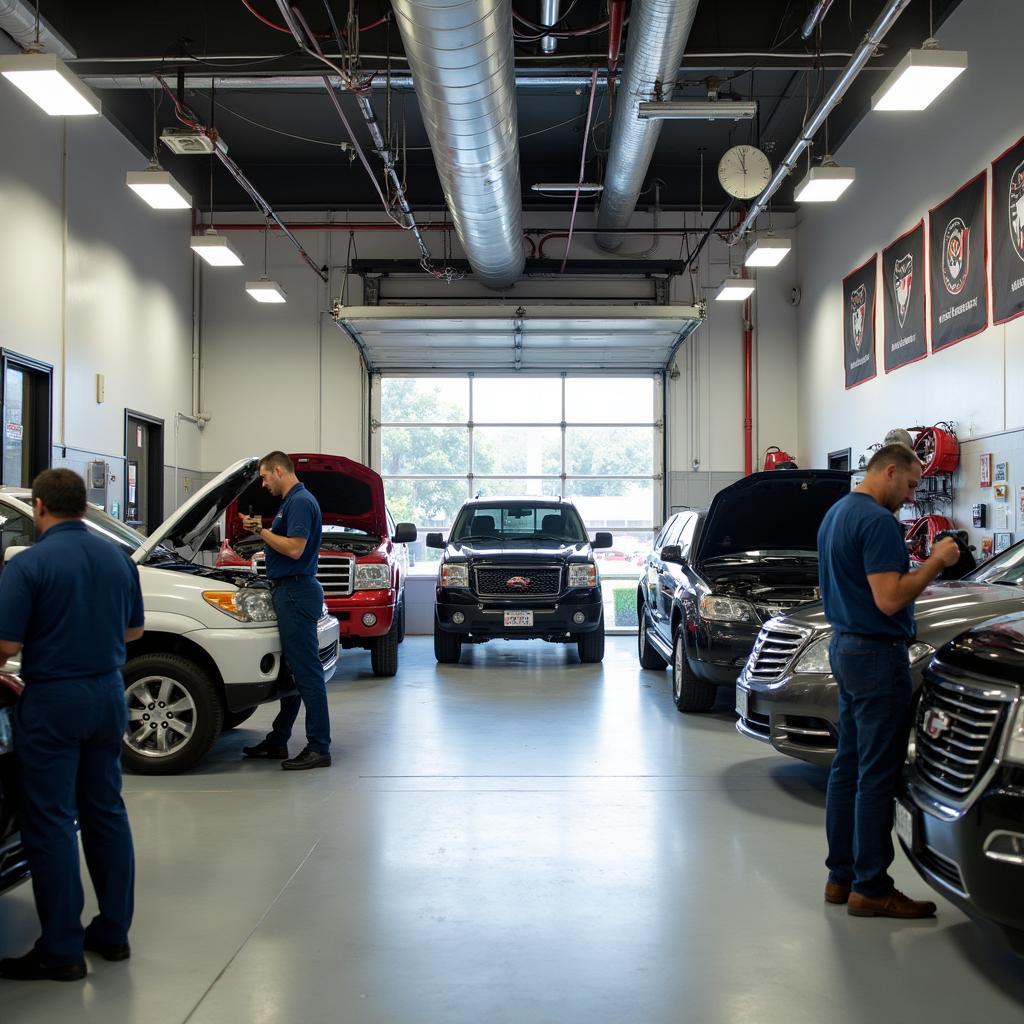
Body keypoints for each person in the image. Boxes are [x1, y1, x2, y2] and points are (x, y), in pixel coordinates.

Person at [0, 469, 144, 982]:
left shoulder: (29, 564)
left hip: (54, 700)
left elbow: (6, 648)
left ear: (39, 506)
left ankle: (60, 950)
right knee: (106, 811)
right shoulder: (118, 559)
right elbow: (135, 630)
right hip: (108, 694)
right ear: (84, 505)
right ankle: (113, 932)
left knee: (53, 821)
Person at [817, 443, 960, 918]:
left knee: (849, 766)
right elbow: (889, 598)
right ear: (891, 471)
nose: (912, 496)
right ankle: (872, 887)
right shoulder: (877, 522)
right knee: (877, 773)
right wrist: (936, 561)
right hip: (877, 654)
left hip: (845, 648)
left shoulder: (836, 514)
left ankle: (841, 878)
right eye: (913, 485)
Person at [241, 451, 331, 770]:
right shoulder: (291, 501)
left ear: (279, 471)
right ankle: (279, 739)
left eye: (265, 477)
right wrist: (262, 530)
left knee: (307, 673)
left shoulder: (301, 502)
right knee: (294, 672)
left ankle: (319, 747)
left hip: (295, 591)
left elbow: (295, 549)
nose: (264, 484)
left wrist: (261, 532)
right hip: (288, 591)